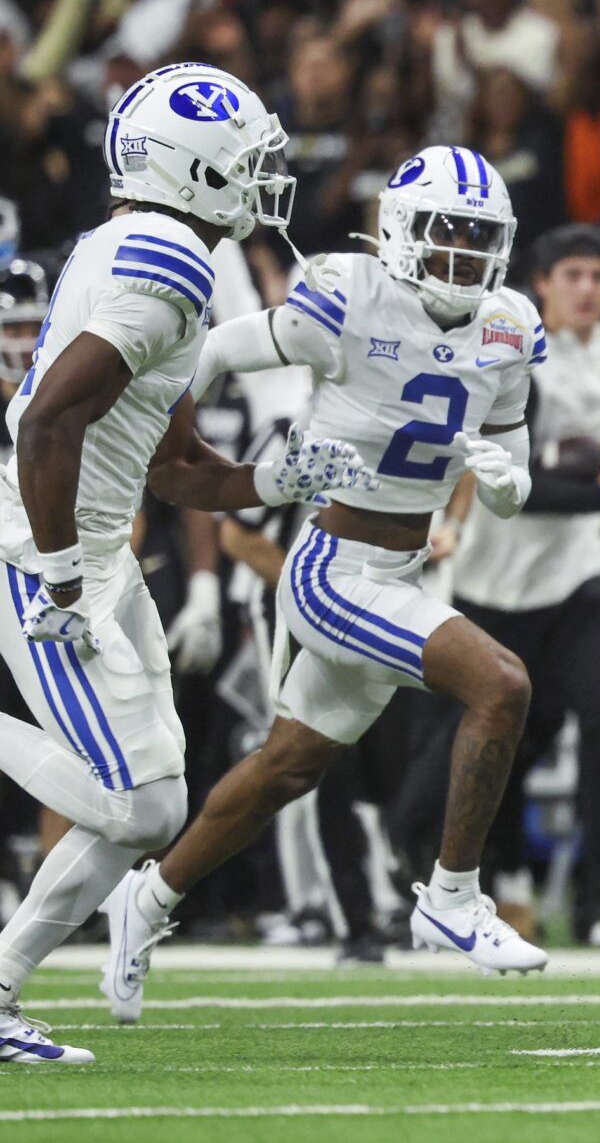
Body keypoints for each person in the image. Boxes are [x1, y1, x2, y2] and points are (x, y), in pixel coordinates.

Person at [106, 145, 552, 1026]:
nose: (462, 251)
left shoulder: (507, 324)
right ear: (397, 229)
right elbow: (205, 352)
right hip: (331, 563)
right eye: (445, 230)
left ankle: (147, 899)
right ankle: (452, 898)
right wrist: (164, 442)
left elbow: (517, 472)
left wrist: (505, 484)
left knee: (287, 766)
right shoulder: (347, 293)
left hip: (401, 564)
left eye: (478, 235)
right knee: (501, 683)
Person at [0, 63, 362, 1064]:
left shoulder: (164, 253)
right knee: (139, 802)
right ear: (190, 170)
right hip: (48, 551)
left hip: (95, 549)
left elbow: (177, 466)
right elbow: (42, 420)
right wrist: (65, 572)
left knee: (151, 801)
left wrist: (279, 479)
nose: (259, 181)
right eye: (243, 164)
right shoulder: (166, 259)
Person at [441, 224, 600, 948]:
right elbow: (522, 487)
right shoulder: (511, 352)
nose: (590, 289)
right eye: (574, 275)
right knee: (500, 739)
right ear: (542, 284)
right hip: (495, 574)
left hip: (575, 571)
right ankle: (486, 880)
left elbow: (582, 474)